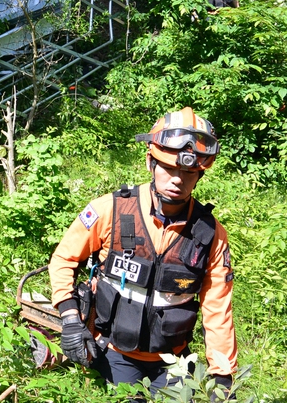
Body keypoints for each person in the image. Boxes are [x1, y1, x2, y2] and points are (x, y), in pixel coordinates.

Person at [49, 107, 237, 399]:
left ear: (199, 175)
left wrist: (222, 376)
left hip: (174, 360)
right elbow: (63, 259)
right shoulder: (110, 209)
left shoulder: (210, 235)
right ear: (151, 162)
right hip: (113, 353)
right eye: (169, 168)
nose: (178, 179)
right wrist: (70, 318)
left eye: (189, 172)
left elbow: (218, 309)